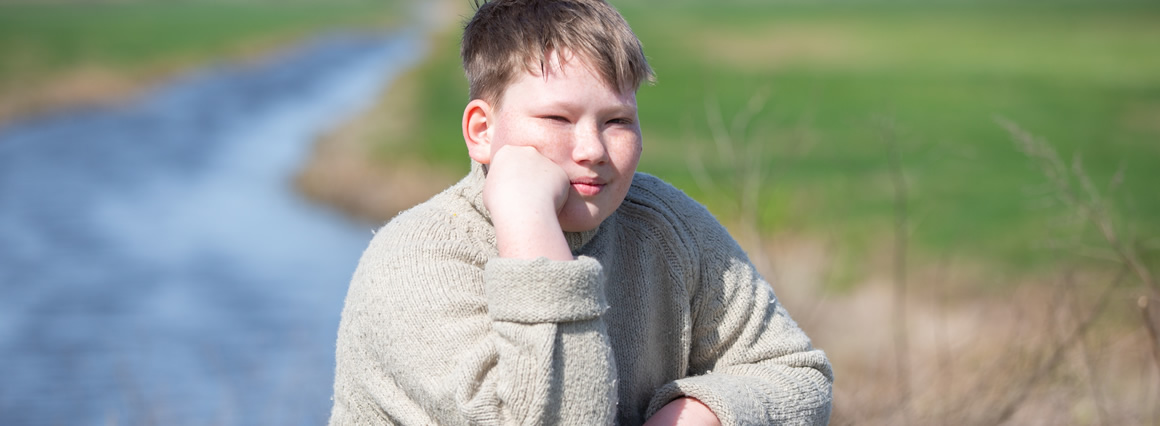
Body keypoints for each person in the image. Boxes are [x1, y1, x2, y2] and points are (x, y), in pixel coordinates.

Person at [329, 0, 833, 424]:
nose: (592, 148)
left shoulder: (666, 226)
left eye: (617, 120)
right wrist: (529, 220)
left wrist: (701, 412)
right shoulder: (414, 263)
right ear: (482, 131)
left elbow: (796, 373)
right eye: (557, 118)